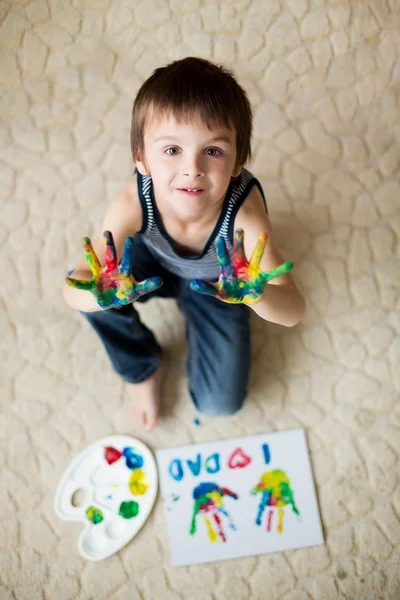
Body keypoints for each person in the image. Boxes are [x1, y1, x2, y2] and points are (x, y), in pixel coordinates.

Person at [63, 57, 305, 431]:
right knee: (96, 283)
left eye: (213, 151)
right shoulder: (133, 200)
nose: (192, 168)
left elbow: (293, 310)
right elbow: (73, 287)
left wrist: (257, 295)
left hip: (223, 285)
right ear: (141, 159)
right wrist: (100, 295)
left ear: (238, 160)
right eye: (172, 150)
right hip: (149, 267)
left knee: (220, 404)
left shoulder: (247, 221)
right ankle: (142, 368)